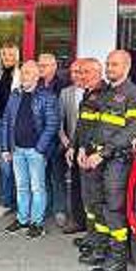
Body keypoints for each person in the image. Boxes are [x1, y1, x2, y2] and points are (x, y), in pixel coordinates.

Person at [82, 50, 136, 271]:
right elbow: (94, 125)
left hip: (116, 162)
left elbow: (132, 130)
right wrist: (85, 148)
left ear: (126, 67)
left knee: (113, 209)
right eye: (108, 64)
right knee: (99, 206)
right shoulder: (105, 93)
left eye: (115, 64)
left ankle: (118, 262)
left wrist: (103, 153)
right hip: (97, 158)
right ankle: (102, 251)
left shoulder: (134, 95)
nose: (110, 68)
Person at [2, 60, 60, 239]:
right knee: (21, 187)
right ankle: (22, 220)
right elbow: (7, 121)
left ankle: (37, 223)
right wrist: (5, 148)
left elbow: (52, 124)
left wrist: (39, 149)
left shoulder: (47, 96)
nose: (23, 76)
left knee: (37, 188)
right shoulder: (15, 94)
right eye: (22, 73)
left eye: (27, 73)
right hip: (17, 150)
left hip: (35, 152)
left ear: (36, 76)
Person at [72, 58, 108, 262]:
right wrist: (75, 147)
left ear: (98, 72)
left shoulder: (104, 95)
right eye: (81, 72)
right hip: (84, 153)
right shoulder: (87, 94)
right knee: (88, 200)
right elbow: (81, 126)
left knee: (96, 201)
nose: (82, 76)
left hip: (95, 157)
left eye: (87, 72)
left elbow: (102, 130)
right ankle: (91, 237)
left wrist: (91, 151)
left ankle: (99, 244)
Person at [38, 52, 68, 227]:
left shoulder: (63, 85)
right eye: (40, 65)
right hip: (39, 138)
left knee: (57, 176)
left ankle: (60, 210)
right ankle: (46, 207)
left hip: (57, 138)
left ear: (54, 66)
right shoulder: (37, 83)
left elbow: (62, 114)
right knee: (42, 175)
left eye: (45, 65)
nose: (41, 68)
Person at [0, 42, 21, 217]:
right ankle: (7, 201)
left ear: (17, 57)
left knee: (14, 164)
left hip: (14, 125)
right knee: (4, 163)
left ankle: (15, 202)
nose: (7, 58)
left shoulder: (20, 74)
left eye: (11, 55)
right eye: (4, 55)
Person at [58, 58, 87, 234]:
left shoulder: (95, 92)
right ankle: (76, 219)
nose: (76, 75)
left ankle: (91, 221)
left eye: (79, 71)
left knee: (91, 186)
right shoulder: (65, 93)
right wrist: (67, 143)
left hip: (90, 147)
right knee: (74, 184)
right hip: (71, 145)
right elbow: (59, 122)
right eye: (73, 72)